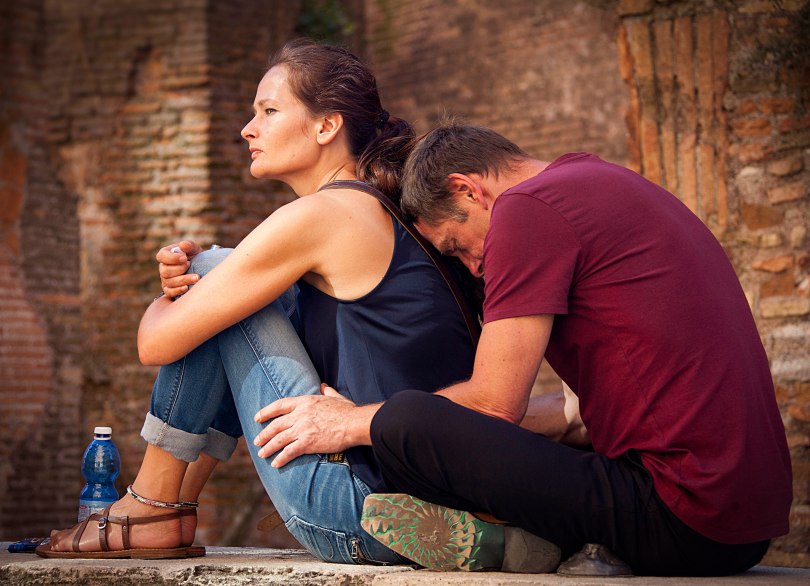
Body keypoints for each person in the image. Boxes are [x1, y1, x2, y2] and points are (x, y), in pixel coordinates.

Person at [35, 40, 476, 563]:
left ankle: (150, 505)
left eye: (269, 111)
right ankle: (164, 506)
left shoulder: (326, 215)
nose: (249, 129)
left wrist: (176, 293)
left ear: (325, 126)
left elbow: (154, 343)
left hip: (364, 510)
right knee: (234, 290)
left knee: (212, 268)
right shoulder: (386, 211)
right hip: (429, 508)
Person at [356, 122, 793, 576]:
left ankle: (516, 533)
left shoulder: (524, 209)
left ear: (467, 191)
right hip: (743, 530)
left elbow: (494, 402)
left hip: (681, 516)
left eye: (456, 246)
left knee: (403, 422)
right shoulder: (601, 181)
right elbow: (575, 417)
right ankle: (524, 540)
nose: (474, 266)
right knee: (439, 428)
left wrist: (353, 421)